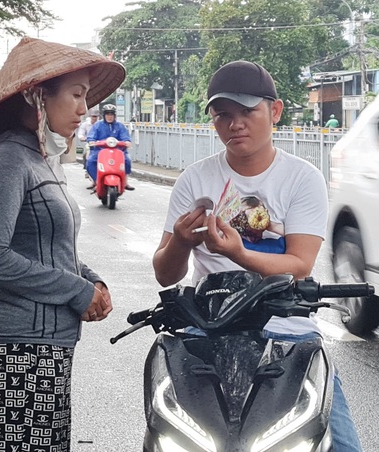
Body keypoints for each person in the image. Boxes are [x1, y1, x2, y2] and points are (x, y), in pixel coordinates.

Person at [152, 60, 363, 452]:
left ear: (275, 111)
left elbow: (299, 264)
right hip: (206, 326)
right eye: (223, 116)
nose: (235, 124)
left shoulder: (302, 178)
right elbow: (165, 273)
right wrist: (180, 242)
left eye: (247, 111)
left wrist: (238, 252)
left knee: (342, 444)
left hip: (288, 328)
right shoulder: (194, 179)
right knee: (166, 431)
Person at [0, 37, 124, 451]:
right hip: (17, 354)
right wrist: (77, 290)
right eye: (75, 94)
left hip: (46, 349)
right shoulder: (8, 159)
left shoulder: (38, 159)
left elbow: (51, 247)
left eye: (86, 96)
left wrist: (93, 282)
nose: (83, 109)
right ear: (37, 95)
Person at [85, 103, 134, 190]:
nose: (109, 116)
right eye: (107, 114)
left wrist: (127, 142)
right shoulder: (97, 125)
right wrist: (92, 141)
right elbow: (91, 136)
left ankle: (125, 182)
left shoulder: (120, 126)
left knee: (127, 160)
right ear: (104, 115)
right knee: (90, 161)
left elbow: (125, 137)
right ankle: (95, 181)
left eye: (111, 114)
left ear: (114, 115)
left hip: (118, 150)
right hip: (100, 150)